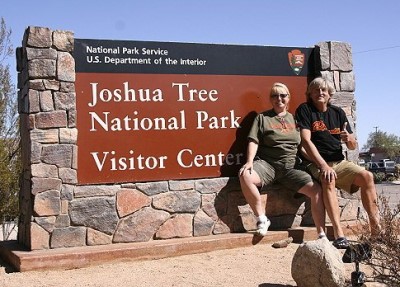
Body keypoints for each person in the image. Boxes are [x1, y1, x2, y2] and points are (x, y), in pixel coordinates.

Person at [295, 77, 381, 249]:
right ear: (310, 94)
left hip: (339, 162)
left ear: (329, 94)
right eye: (316, 90)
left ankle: (376, 231)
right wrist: (323, 165)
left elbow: (351, 144)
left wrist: (350, 139)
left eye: (324, 90)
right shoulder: (305, 110)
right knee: (328, 178)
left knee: (367, 176)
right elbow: (305, 141)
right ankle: (339, 234)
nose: (320, 93)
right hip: (315, 162)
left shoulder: (338, 113)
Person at [239, 82, 326, 238]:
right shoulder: (262, 118)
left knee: (317, 190)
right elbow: (253, 140)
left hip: (291, 167)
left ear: (288, 98)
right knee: (245, 175)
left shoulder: (296, 120)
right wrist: (250, 161)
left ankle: (321, 234)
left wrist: (318, 163)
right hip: (268, 165)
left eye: (282, 95)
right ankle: (262, 219)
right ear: (270, 99)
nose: (279, 98)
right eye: (274, 95)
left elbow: (303, 147)